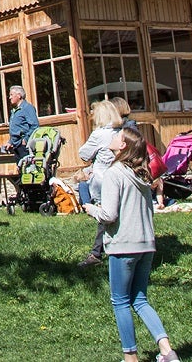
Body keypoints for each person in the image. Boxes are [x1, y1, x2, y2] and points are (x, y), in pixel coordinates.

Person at [84, 130, 180, 362]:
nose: (113, 137)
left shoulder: (114, 173)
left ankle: (130, 357)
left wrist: (90, 209)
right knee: (140, 299)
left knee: (120, 301)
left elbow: (109, 214)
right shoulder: (142, 174)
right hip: (146, 244)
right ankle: (167, 351)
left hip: (123, 245)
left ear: (123, 145)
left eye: (117, 135)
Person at [77, 98, 124, 266]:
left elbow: (83, 154)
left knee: (105, 217)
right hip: (122, 179)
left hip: (104, 180)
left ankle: (97, 254)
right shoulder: (123, 131)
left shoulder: (99, 134)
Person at [7, 84, 39, 152]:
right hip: (16, 146)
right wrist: (10, 142)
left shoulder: (27, 108)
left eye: (11, 95)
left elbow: (34, 126)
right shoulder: (15, 110)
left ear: (19, 95)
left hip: (25, 146)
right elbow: (16, 128)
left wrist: (25, 140)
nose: (10, 97)